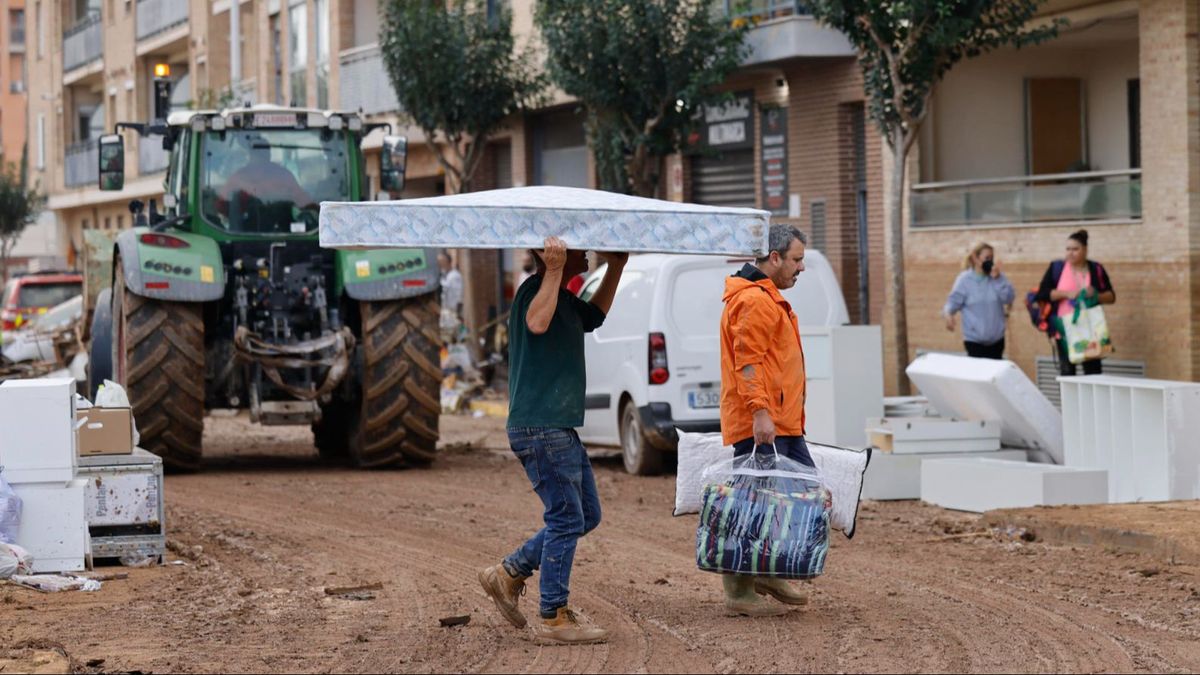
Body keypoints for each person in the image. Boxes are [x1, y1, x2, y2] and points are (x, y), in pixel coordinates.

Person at [479, 236, 628, 645]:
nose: (585, 252)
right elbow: (536, 323)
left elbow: (594, 316)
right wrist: (555, 269)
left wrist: (617, 267)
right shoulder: (535, 289)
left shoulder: (563, 296)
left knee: (586, 515)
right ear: (551, 254)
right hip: (540, 425)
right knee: (566, 518)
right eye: (578, 247)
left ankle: (508, 573)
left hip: (557, 426)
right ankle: (553, 614)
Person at [718, 223, 813, 617]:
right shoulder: (756, 300)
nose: (801, 268)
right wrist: (759, 412)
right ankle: (738, 590)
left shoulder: (765, 297)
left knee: (786, 498)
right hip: (762, 424)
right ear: (773, 258)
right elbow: (749, 362)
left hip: (779, 420)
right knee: (751, 502)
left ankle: (766, 570)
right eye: (796, 259)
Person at [1035, 229, 1116, 375]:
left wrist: (1096, 295)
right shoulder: (1057, 268)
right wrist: (1067, 294)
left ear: (1085, 250)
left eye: (1075, 249)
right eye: (1068, 249)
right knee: (1067, 372)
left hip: (1090, 330)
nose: (1070, 253)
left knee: (1093, 372)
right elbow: (1043, 294)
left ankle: (1092, 399)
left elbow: (1111, 296)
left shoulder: (1096, 268)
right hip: (1064, 329)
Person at [942, 243, 1015, 359]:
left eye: (992, 258)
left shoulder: (998, 277)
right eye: (987, 258)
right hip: (974, 342)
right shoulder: (964, 280)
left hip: (997, 341)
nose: (990, 261)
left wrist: (998, 279)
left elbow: (1009, 298)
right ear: (976, 258)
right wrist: (948, 315)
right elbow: (952, 302)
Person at [217, 135, 314, 216]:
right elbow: (305, 202)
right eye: (262, 151)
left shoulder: (238, 178)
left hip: (245, 232)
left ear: (250, 154)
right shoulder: (283, 175)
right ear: (269, 153)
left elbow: (220, 206)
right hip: (282, 231)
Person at [438, 252, 464, 319]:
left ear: (447, 262)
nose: (439, 264)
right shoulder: (444, 275)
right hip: (447, 311)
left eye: (441, 262)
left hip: (453, 312)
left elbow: (459, 296)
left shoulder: (455, 276)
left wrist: (458, 314)